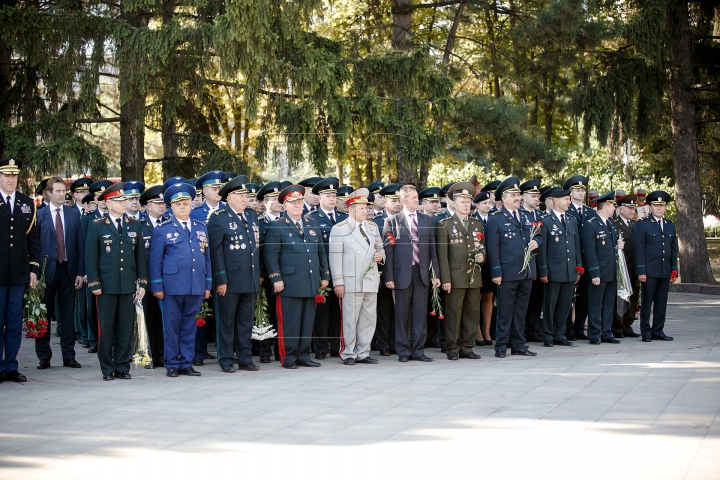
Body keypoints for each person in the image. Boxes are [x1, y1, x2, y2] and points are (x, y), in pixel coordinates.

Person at [263, 184, 331, 369]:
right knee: (289, 323)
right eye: (292, 203)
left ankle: (303, 355)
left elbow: (320, 252)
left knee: (307, 321)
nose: (297, 206)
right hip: (289, 284)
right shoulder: (277, 227)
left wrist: (324, 274)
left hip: (309, 282)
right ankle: (289, 357)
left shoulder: (311, 223)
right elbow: (271, 255)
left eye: (299, 202)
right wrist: (276, 278)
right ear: (285, 206)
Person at [85, 183, 147, 381]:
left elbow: (140, 257)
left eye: (124, 200)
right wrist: (94, 283)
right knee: (107, 328)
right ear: (108, 204)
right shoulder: (96, 225)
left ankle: (122, 365)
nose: (124, 203)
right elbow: (91, 257)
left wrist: (143, 283)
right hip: (106, 286)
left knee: (125, 328)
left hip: (127, 284)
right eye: (120, 201)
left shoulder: (134, 224)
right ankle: (107, 367)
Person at [150, 183, 212, 377]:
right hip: (172, 286)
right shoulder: (163, 229)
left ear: (191, 204)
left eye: (185, 203)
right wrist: (157, 286)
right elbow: (155, 260)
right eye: (178, 205)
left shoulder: (201, 228)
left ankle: (186, 362)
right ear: (171, 207)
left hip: (195, 285)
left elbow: (207, 258)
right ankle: (171, 363)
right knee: (171, 326)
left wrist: (208, 284)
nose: (183, 207)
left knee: (189, 326)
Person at [207, 176, 262, 373]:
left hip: (250, 278)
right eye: (240, 195)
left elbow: (256, 247)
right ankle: (227, 359)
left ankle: (245, 358)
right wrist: (221, 279)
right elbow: (216, 251)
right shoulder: (218, 217)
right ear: (229, 198)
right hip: (230, 281)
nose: (244, 199)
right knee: (227, 322)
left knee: (245, 322)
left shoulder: (252, 215)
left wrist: (259, 274)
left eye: (245, 195)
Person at [383, 184, 440, 362]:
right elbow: (388, 252)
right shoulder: (391, 221)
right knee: (401, 314)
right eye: (414, 198)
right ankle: (403, 351)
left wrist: (435, 273)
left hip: (421, 273)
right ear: (403, 200)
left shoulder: (426, 220)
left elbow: (432, 249)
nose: (417, 200)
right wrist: (389, 277)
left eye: (417, 197)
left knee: (419, 314)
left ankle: (418, 350)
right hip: (401, 275)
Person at [328, 188, 384, 365]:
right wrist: (338, 282)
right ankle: (348, 353)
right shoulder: (340, 229)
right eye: (361, 208)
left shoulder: (373, 227)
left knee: (368, 318)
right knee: (350, 320)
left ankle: (363, 351)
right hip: (351, 281)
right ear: (350, 209)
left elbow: (380, 248)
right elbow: (335, 257)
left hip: (370, 280)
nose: (366, 211)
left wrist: (381, 256)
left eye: (367, 208)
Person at [485, 177, 539, 358]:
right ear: (504, 198)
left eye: (518, 195)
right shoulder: (496, 219)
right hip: (507, 272)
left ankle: (518, 344)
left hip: (526, 271)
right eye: (513, 195)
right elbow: (493, 248)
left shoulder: (525, 216)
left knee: (521, 310)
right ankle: (501, 345)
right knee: (505, 310)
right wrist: (496, 272)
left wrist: (536, 242)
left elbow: (537, 235)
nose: (518, 198)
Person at [35, 176, 84, 370]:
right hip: (47, 271)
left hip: (68, 271)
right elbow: (34, 246)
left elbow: (80, 245)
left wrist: (80, 272)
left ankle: (68, 356)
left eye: (64, 191)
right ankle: (44, 356)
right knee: (44, 316)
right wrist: (36, 274)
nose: (62, 194)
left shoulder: (73, 215)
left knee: (67, 316)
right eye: (58, 191)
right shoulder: (39, 215)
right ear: (48, 193)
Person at [0, 158, 40, 383]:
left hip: (18, 273)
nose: (10, 179)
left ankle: (11, 366)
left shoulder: (27, 203)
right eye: (6, 175)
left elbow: (33, 240)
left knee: (14, 322)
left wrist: (33, 268)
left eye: (14, 175)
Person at [436, 182, 485, 360]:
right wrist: (446, 279)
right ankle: (452, 348)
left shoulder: (476, 224)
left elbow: (481, 247)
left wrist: (482, 256)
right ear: (454, 203)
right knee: (454, 314)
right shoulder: (445, 224)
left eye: (468, 201)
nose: (466, 205)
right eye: (462, 201)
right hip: (455, 276)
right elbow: (442, 255)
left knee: (472, 313)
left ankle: (467, 347)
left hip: (473, 275)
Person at [306, 178, 348, 359]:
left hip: (342, 273)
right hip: (322, 273)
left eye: (334, 196)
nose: (332, 199)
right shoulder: (311, 218)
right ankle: (321, 347)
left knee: (338, 311)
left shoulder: (344, 218)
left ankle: (335, 346)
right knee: (321, 312)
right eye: (328, 196)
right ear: (319, 197)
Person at [537, 189, 582, 347]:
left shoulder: (571, 220)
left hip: (569, 270)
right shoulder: (546, 220)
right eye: (566, 199)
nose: (569, 202)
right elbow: (542, 249)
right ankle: (548, 335)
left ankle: (560, 334)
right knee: (550, 305)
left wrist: (579, 267)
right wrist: (543, 270)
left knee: (565, 305)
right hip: (553, 271)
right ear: (556, 201)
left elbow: (576, 246)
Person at [633, 190, 678, 342]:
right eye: (655, 205)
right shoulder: (643, 224)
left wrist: (674, 270)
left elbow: (673, 249)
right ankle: (645, 331)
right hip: (649, 270)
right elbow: (638, 249)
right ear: (650, 208)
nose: (659, 208)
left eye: (661, 206)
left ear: (665, 208)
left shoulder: (670, 225)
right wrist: (641, 270)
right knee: (647, 302)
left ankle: (658, 330)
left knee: (661, 302)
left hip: (665, 270)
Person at [190, 171, 225, 364]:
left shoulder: (226, 211)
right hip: (202, 268)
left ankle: (224, 350)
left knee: (223, 313)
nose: (218, 191)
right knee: (200, 312)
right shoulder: (195, 213)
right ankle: (199, 352)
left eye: (219, 188)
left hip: (223, 269)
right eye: (213, 188)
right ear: (204, 191)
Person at [582, 192, 624, 344]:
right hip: (598, 271)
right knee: (595, 304)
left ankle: (606, 332)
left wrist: (619, 246)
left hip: (611, 271)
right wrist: (594, 273)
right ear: (605, 206)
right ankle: (594, 333)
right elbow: (589, 250)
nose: (615, 208)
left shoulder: (611, 223)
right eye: (613, 205)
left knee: (608, 304)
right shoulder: (591, 223)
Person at [139, 185, 168, 368]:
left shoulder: (169, 223)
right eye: (157, 203)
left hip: (168, 282)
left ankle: (164, 355)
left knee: (166, 321)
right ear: (148, 206)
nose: (161, 206)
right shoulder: (140, 226)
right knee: (149, 321)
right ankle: (149, 354)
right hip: (148, 282)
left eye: (163, 203)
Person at [370, 183, 400, 356]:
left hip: (401, 272)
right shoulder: (376, 222)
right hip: (382, 274)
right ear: (385, 201)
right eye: (393, 200)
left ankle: (396, 342)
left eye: (398, 200)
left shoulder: (404, 221)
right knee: (384, 310)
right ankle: (383, 344)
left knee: (399, 310)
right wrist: (379, 274)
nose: (397, 204)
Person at [256, 181, 283, 363]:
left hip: (286, 276)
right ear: (265, 202)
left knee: (281, 314)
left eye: (279, 198)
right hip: (265, 277)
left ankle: (281, 350)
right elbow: (257, 252)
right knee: (265, 313)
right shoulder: (259, 223)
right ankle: (265, 351)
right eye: (274, 198)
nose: (277, 201)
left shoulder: (287, 221)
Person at [563, 174, 591, 341]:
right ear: (570, 193)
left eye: (582, 190)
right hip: (570, 258)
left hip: (586, 259)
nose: (580, 193)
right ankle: (568, 329)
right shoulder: (567, 210)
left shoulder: (589, 211)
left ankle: (579, 327)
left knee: (584, 296)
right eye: (577, 190)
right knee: (568, 296)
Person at [419, 186, 444, 350]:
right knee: (423, 304)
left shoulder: (440, 220)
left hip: (437, 265)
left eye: (437, 202)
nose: (435, 205)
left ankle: (433, 336)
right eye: (431, 202)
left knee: (435, 302)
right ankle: (423, 336)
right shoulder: (419, 219)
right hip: (421, 266)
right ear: (423, 203)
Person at [613, 193, 641, 338]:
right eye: (629, 208)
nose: (632, 211)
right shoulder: (616, 225)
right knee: (621, 296)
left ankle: (627, 324)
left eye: (633, 208)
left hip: (634, 267)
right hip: (622, 267)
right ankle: (617, 325)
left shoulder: (637, 225)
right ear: (620, 209)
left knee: (633, 295)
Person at [519, 179, 544, 343]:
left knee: (536, 299)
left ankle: (534, 329)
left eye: (537, 196)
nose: (536, 199)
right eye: (533, 196)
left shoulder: (541, 216)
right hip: (522, 265)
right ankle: (522, 331)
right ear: (523, 197)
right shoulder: (520, 215)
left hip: (538, 263)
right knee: (523, 301)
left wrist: (538, 242)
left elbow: (542, 237)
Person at [472, 190, 496, 345]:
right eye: (484, 203)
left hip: (491, 264)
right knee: (477, 298)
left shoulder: (494, 219)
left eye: (489, 203)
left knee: (489, 297)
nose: (488, 206)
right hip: (477, 265)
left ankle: (487, 331)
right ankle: (477, 331)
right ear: (477, 205)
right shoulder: (473, 219)